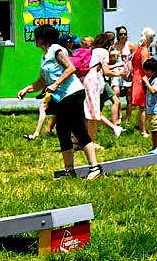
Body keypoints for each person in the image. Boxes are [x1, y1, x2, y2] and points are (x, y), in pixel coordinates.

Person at [17, 24, 98, 179]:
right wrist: (27, 89)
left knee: (79, 130)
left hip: (72, 93)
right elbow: (42, 81)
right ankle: (69, 171)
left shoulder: (57, 50)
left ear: (42, 38)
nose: (35, 39)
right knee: (62, 132)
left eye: (37, 36)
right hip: (61, 98)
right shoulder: (44, 56)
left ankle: (95, 168)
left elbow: (71, 68)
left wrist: (56, 84)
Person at [82, 31, 120, 138]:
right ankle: (92, 141)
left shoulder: (92, 50)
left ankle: (83, 139)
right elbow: (106, 71)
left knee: (89, 111)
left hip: (85, 79)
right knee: (93, 112)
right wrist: (119, 74)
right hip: (93, 81)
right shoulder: (104, 52)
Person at [107, 26, 135, 137]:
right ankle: (118, 116)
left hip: (127, 73)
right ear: (117, 35)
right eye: (121, 34)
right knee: (116, 94)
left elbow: (137, 57)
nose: (123, 36)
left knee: (129, 97)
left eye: (125, 34)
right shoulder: (113, 46)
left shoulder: (130, 45)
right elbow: (109, 60)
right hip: (116, 72)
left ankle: (128, 119)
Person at [127, 28, 156, 134]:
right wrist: (151, 78)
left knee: (142, 106)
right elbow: (145, 67)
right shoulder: (144, 50)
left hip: (137, 77)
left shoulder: (139, 48)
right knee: (144, 106)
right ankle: (143, 130)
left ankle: (140, 126)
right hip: (142, 79)